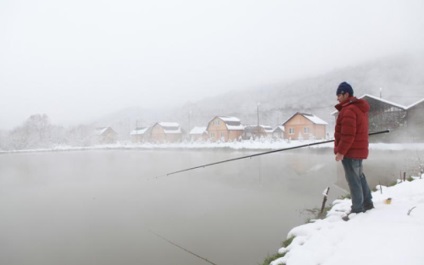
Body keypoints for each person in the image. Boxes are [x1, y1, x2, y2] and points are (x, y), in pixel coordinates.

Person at [334, 81, 374, 213]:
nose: (337, 97)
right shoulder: (358, 108)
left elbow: (348, 135)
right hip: (357, 150)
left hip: (351, 152)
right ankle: (367, 203)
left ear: (346, 94)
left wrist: (340, 152)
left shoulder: (349, 110)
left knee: (353, 181)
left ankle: (357, 209)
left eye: (339, 94)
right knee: (360, 177)